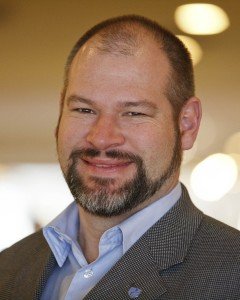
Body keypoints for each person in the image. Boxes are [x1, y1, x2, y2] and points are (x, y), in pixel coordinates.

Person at [0, 15, 240, 300]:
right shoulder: (8, 269)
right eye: (83, 110)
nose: (101, 137)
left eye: (134, 113)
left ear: (186, 124)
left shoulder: (231, 275)